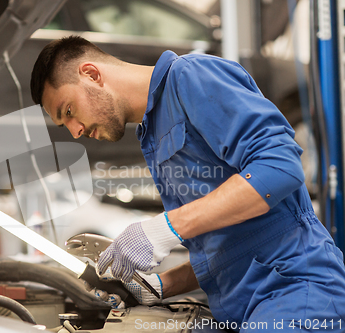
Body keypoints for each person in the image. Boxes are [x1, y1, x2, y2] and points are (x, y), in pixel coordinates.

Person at [30, 36, 345, 331]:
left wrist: (163, 229)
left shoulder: (191, 77)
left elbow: (279, 168)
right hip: (247, 308)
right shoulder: (152, 133)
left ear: (91, 74)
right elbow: (231, 241)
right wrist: (159, 286)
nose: (75, 131)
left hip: (296, 293)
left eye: (69, 112)